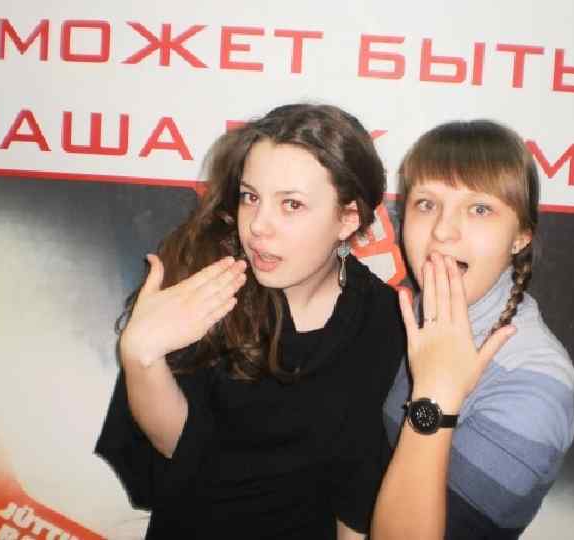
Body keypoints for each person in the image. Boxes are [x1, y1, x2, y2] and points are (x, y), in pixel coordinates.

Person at [94, 104, 405, 539]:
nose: (258, 226)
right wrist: (141, 355)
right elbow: (181, 449)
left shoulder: (382, 320)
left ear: (347, 218)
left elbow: (357, 490)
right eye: (250, 197)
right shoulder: (208, 281)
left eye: (291, 204)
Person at [372, 120, 574, 539]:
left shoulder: (535, 386)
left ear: (521, 236)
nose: (442, 230)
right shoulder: (411, 312)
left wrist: (435, 395)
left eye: (480, 209)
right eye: (426, 204)